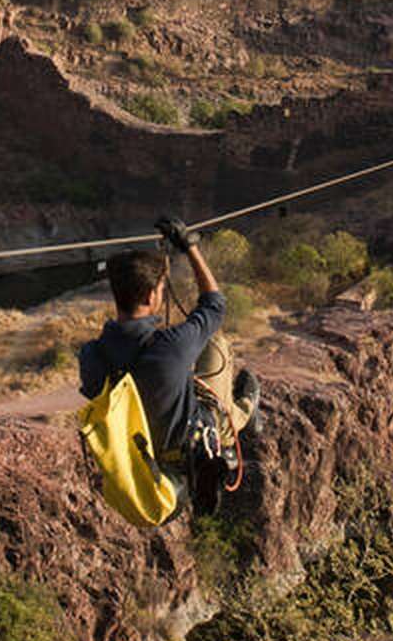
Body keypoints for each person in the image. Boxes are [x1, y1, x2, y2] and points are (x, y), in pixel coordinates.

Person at [77, 217, 260, 508]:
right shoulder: (172, 345)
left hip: (137, 461)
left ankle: (233, 418)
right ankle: (244, 413)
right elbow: (214, 304)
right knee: (217, 346)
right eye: (161, 290)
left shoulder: (91, 355)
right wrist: (190, 248)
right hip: (183, 459)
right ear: (151, 296)